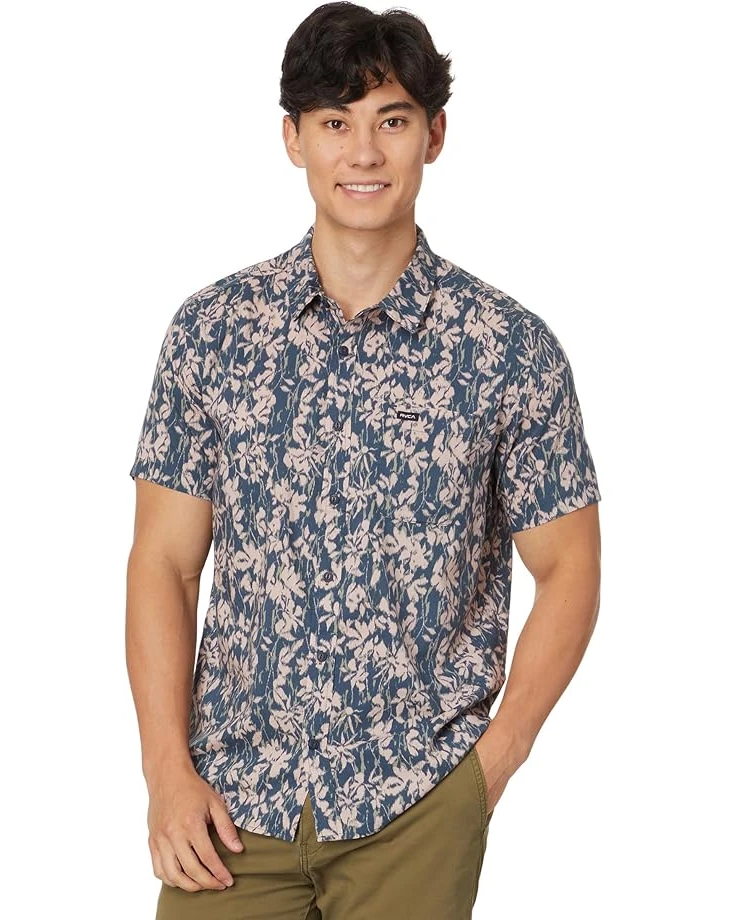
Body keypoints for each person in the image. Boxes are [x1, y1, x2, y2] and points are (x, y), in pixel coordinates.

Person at [126, 2, 602, 917]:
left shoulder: (508, 350)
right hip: (231, 802)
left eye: (392, 120)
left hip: (415, 804)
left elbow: (571, 566)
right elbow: (165, 563)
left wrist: (487, 771)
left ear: (434, 136)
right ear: (293, 140)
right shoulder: (212, 334)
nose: (364, 153)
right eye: (335, 123)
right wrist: (165, 772)